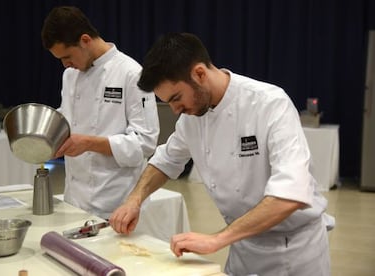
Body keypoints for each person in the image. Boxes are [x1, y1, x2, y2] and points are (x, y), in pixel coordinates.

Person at [109, 32, 333, 275]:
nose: (175, 111)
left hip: (291, 251)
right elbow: (165, 161)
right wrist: (134, 200)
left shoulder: (269, 103)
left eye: (176, 98)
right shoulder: (192, 117)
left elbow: (290, 194)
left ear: (199, 74)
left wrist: (217, 239)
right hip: (242, 246)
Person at [40, 6, 159, 219]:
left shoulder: (131, 73)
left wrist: (89, 143)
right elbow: (68, 117)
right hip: (74, 200)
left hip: (116, 204)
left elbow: (145, 143)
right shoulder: (70, 75)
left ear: (85, 40)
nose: (65, 64)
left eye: (67, 56)